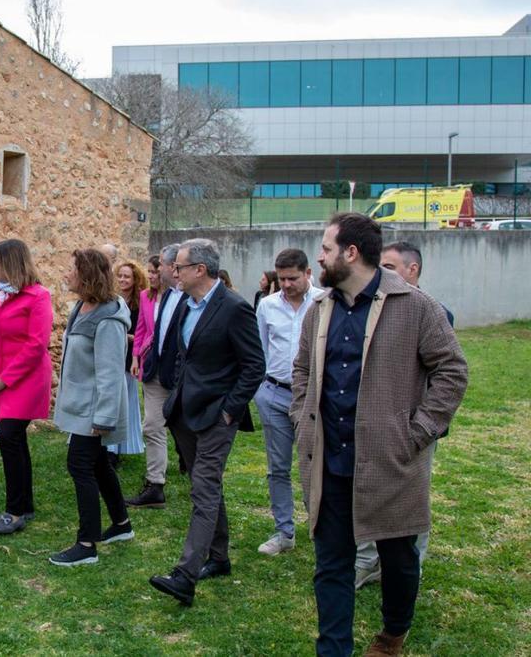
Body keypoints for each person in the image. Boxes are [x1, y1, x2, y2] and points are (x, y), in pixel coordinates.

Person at [291, 213, 467, 656]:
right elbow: (301, 371)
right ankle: (334, 649)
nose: (320, 256)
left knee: (398, 560)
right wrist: (301, 419)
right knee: (331, 564)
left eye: (327, 248)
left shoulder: (416, 306)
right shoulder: (319, 309)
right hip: (329, 464)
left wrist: (418, 432)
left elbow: (452, 371)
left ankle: (393, 633)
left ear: (351, 253)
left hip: (390, 465)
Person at [149, 238, 264, 607]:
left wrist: (230, 410)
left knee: (203, 488)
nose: (173, 272)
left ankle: (185, 576)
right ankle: (219, 556)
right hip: (184, 412)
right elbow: (186, 354)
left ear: (200, 270)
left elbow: (254, 367)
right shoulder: (185, 302)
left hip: (217, 415)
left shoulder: (234, 308)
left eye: (179, 267)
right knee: (207, 485)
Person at [355, 240, 456, 588]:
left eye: (390, 267)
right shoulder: (372, 308)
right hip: (373, 426)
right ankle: (367, 560)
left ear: (413, 270)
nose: (381, 274)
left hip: (413, 429)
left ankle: (411, 566)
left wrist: (421, 428)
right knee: (366, 489)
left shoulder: (432, 311)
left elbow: (448, 373)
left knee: (412, 497)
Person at [49, 249, 135, 566]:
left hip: (94, 409)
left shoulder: (108, 318)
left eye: (70, 269)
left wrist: (104, 418)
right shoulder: (81, 307)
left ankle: (87, 544)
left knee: (80, 465)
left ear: (87, 275)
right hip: (81, 405)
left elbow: (111, 372)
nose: (65, 274)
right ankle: (122, 525)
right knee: (98, 463)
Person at [0, 239, 53, 535]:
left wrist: (3, 379)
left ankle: (15, 510)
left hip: (25, 379)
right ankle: (25, 503)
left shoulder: (38, 296)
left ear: (13, 262)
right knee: (14, 439)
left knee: (9, 435)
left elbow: (37, 345)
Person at [254, 248, 320, 557]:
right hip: (275, 393)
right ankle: (284, 531)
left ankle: (320, 527)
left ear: (308, 274)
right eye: (281, 279)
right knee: (277, 467)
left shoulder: (324, 302)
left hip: (312, 397)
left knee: (315, 465)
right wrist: (261, 391)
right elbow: (260, 350)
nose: (286, 284)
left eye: (293, 278)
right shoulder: (267, 306)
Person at [125, 246, 183, 509]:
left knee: (183, 427)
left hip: (180, 374)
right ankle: (155, 484)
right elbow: (142, 331)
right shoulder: (151, 297)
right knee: (152, 425)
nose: (154, 272)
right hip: (154, 370)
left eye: (158, 266)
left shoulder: (185, 298)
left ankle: (194, 468)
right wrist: (138, 357)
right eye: (152, 268)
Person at [107, 260, 147, 466]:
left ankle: (118, 448)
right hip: (110, 356)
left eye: (127, 277)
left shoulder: (140, 303)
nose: (122, 280)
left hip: (129, 358)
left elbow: (143, 333)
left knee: (126, 403)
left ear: (135, 280)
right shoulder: (110, 300)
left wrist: (127, 337)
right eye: (120, 276)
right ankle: (107, 448)